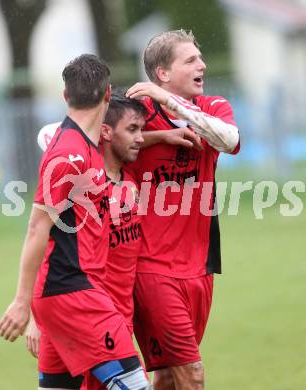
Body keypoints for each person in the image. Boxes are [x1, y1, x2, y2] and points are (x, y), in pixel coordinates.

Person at [0, 54, 150, 390]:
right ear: (108, 94)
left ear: (66, 96)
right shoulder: (69, 154)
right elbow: (38, 227)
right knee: (135, 385)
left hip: (68, 294)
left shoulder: (84, 143)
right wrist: (22, 302)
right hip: (72, 293)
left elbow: (120, 136)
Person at [125, 30, 240, 389]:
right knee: (192, 373)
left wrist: (168, 101)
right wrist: (159, 136)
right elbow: (93, 139)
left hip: (200, 266)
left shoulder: (213, 107)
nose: (202, 64)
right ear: (162, 72)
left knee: (167, 378)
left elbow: (230, 140)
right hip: (152, 266)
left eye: (200, 57)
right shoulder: (136, 113)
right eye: (190, 60)